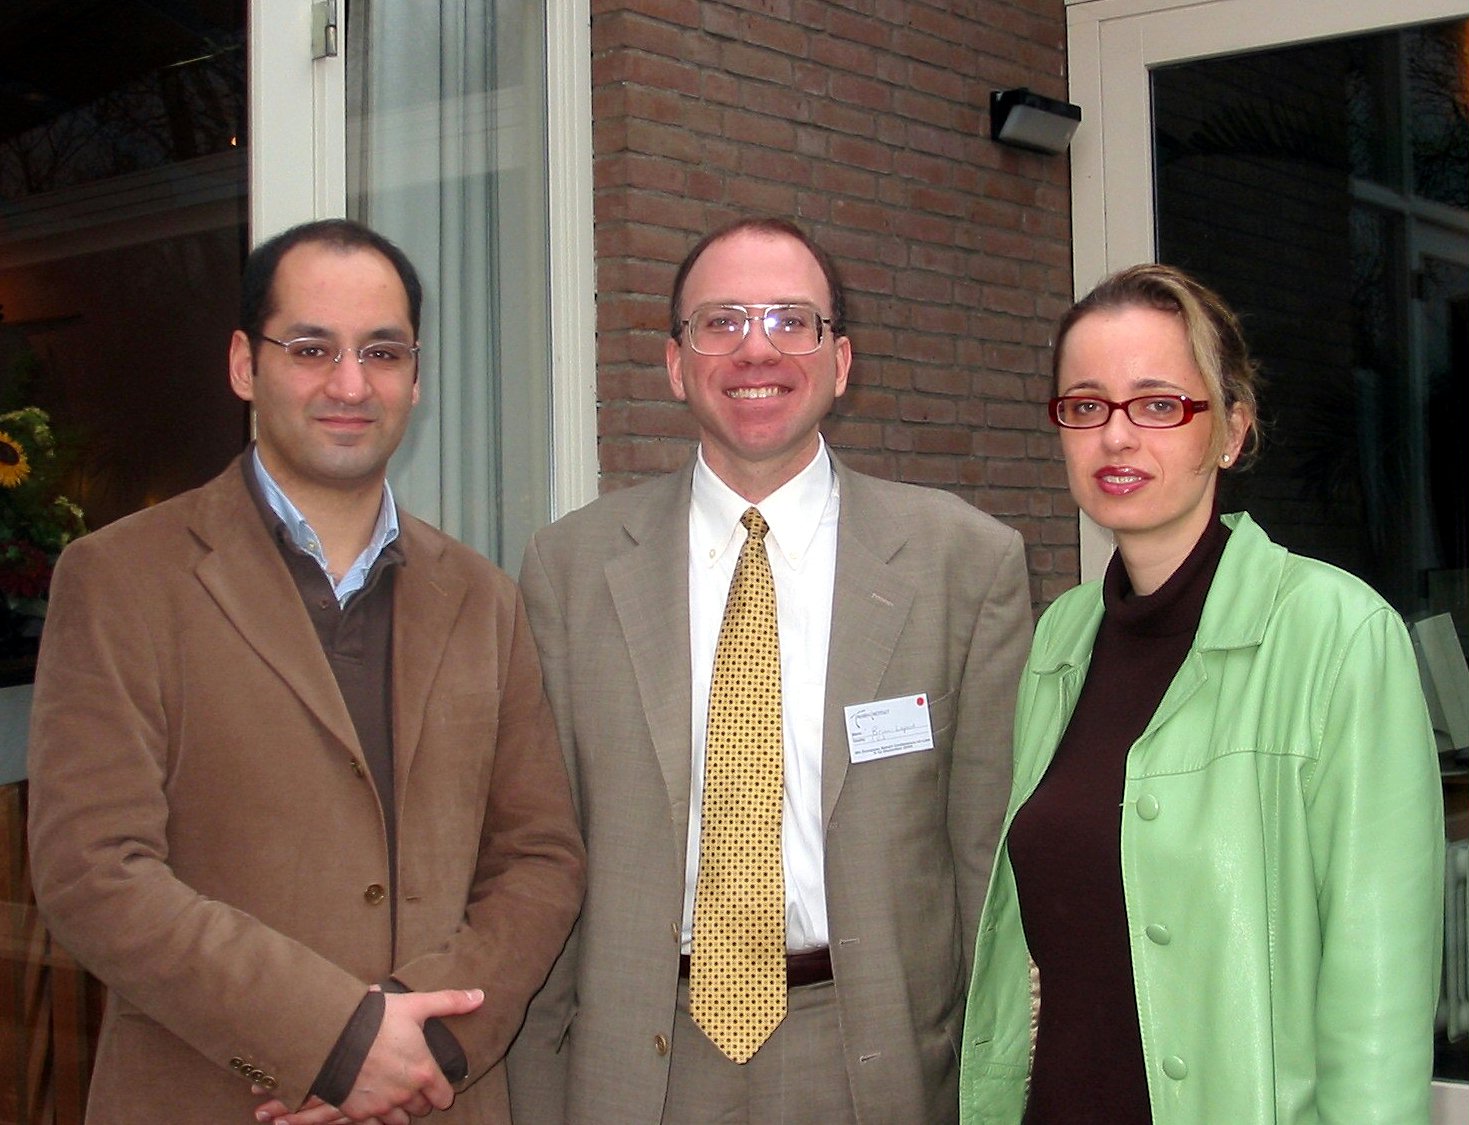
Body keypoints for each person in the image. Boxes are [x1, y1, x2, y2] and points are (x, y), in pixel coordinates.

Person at [26, 218, 585, 1125]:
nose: (350, 384)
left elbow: (539, 859)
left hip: (439, 1099)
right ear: (245, 364)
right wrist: (335, 1040)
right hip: (214, 1096)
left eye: (383, 351)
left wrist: (425, 1046)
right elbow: (94, 869)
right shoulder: (121, 577)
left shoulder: (485, 598)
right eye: (312, 347)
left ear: (416, 375)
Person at [506, 216, 1033, 1123]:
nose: (757, 348)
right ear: (676, 364)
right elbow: (545, 852)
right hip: (639, 1062)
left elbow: (990, 862)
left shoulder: (964, 563)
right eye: (721, 322)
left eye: (792, 321)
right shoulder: (569, 568)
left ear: (840, 360)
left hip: (875, 1059)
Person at [959, 263, 1445, 1123]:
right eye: (1085, 405)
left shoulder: (1334, 632)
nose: (1115, 437)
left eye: (1156, 404)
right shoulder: (1060, 639)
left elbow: (1379, 993)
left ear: (1228, 431)